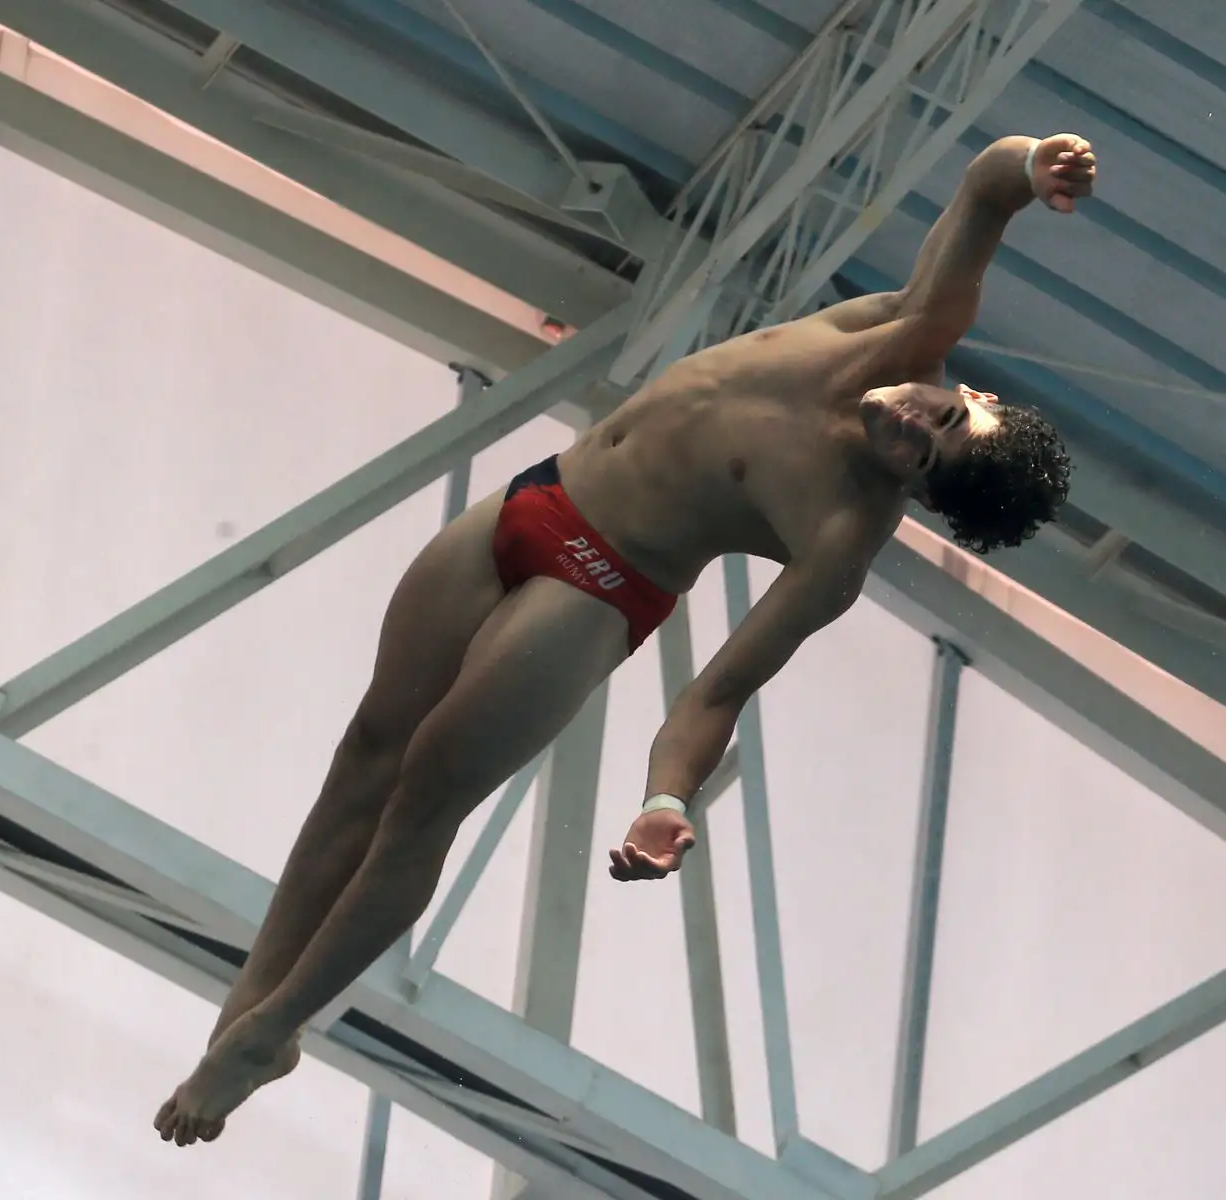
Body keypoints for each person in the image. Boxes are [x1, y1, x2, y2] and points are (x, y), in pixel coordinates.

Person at [155, 132, 1092, 1146]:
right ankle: (244, 1018)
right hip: (541, 494)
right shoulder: (910, 332)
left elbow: (716, 697)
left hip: (596, 588)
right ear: (974, 393)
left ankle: (282, 1025)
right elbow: (984, 189)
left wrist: (663, 800)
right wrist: (1038, 164)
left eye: (922, 457)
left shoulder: (836, 539)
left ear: (916, 494)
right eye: (945, 416)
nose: (910, 424)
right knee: (365, 757)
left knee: (422, 795)